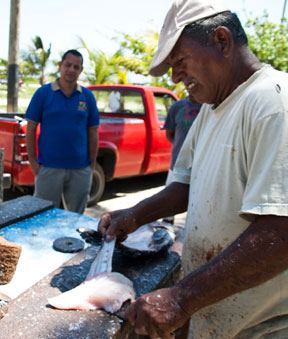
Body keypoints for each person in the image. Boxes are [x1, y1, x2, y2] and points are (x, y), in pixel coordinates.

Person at [98, 0, 288, 338]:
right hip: (216, 317)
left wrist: (182, 298)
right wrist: (135, 214)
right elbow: (186, 185)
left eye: (180, 61)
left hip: (260, 328)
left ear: (222, 41)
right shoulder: (212, 110)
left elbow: (281, 230)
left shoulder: (273, 102)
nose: (176, 76)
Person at [25, 49, 99, 214]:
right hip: (48, 168)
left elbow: (93, 132)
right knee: (41, 217)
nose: (71, 70)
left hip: (80, 170)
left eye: (76, 67)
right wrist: (33, 162)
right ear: (60, 65)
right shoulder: (43, 93)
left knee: (75, 219)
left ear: (80, 70)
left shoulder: (87, 97)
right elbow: (30, 129)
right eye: (68, 65)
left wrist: (91, 165)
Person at [163, 95, 201, 224]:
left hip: (201, 167)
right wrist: (184, 149)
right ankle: (166, 231)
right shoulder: (177, 107)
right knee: (169, 202)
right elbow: (169, 134)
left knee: (198, 204)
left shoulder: (210, 108)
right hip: (177, 164)